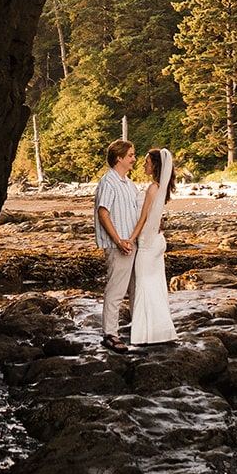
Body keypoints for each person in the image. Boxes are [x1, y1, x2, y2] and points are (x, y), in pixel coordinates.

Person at [93, 139, 140, 353]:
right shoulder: (108, 181)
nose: (134, 158)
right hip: (117, 244)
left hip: (132, 244)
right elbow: (104, 213)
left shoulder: (130, 185)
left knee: (135, 289)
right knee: (116, 290)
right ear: (119, 158)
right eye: (130, 155)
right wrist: (118, 240)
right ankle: (110, 335)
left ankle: (137, 330)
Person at [128, 146, 177, 345]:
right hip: (156, 241)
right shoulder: (160, 188)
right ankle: (161, 330)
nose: (143, 165)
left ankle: (144, 334)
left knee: (144, 286)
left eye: (147, 162)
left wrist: (130, 240)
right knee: (156, 285)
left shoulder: (153, 188)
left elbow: (143, 218)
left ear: (155, 165)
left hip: (148, 243)